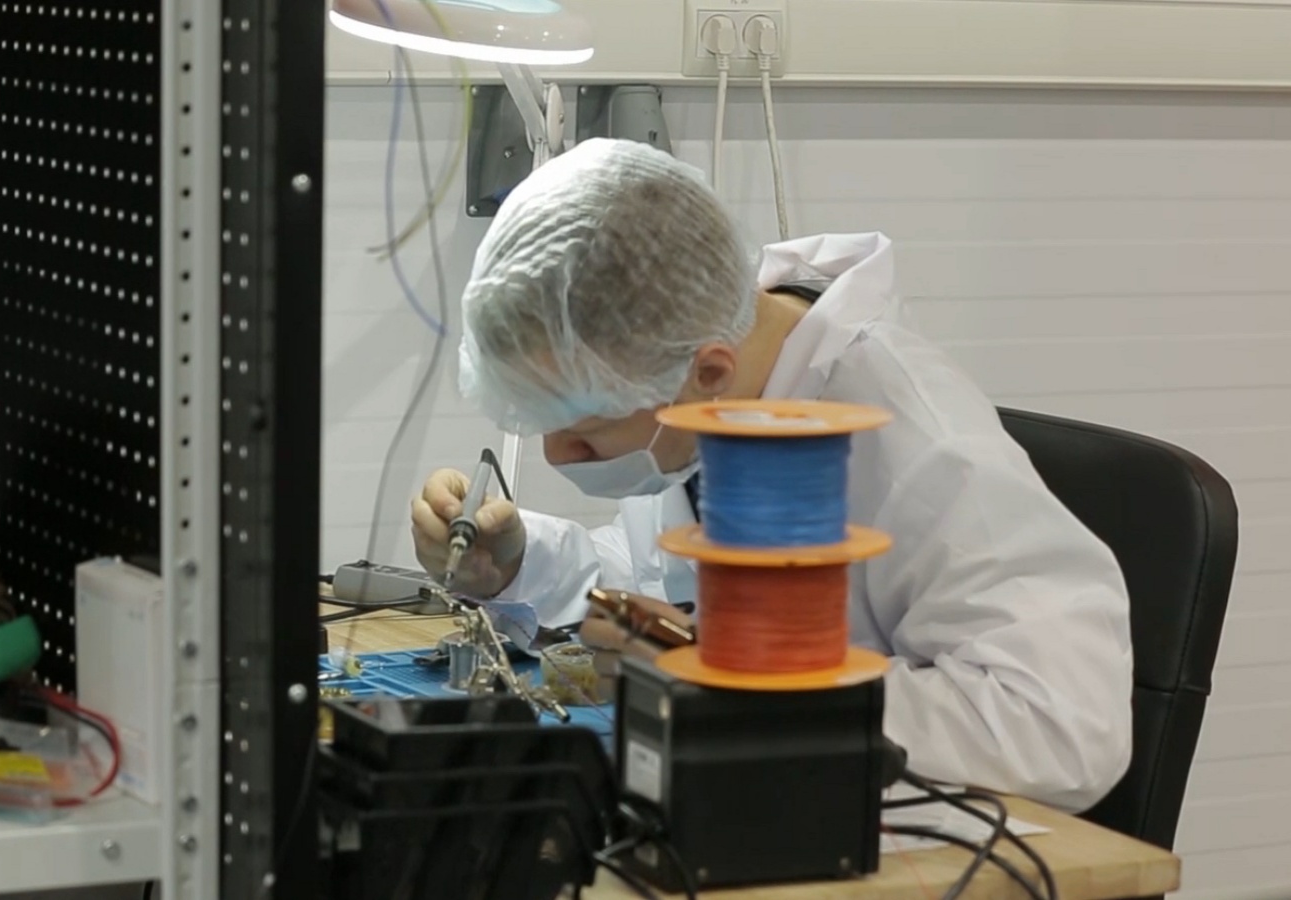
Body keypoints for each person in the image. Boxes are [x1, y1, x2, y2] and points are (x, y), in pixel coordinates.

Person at [410, 138, 1133, 812]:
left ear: (708, 373)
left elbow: (1062, 727)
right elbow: (666, 587)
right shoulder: (706, 383)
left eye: (583, 429)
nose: (556, 456)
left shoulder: (923, 448)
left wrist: (746, 670)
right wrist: (519, 564)